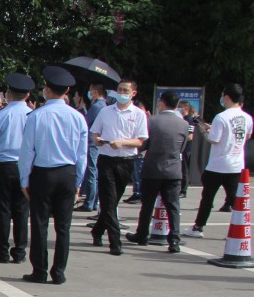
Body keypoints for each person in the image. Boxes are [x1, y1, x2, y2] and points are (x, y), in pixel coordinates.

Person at [19, 67, 89, 284]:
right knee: (63, 226)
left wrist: (24, 180)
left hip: (43, 173)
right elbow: (82, 154)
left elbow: (27, 152)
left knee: (39, 223)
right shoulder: (78, 118)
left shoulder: (36, 116)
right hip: (67, 173)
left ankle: (39, 270)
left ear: (46, 90)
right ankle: (59, 271)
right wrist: (78, 181)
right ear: (67, 90)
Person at [183, 84, 251, 238]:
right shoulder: (247, 117)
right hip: (237, 165)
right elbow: (246, 136)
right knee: (236, 200)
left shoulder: (221, 117)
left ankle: (198, 228)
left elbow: (214, 139)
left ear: (226, 97)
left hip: (217, 165)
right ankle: (242, 229)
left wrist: (205, 131)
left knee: (207, 198)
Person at [89, 79, 148, 255]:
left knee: (113, 200)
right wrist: (98, 140)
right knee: (108, 201)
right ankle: (115, 241)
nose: (122, 93)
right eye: (120, 90)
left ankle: (98, 230)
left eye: (125, 90)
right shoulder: (106, 111)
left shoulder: (138, 114)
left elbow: (140, 140)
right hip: (106, 159)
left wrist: (122, 143)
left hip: (126, 160)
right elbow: (94, 133)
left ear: (133, 93)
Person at [127, 90, 189, 252]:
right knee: (173, 206)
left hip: (153, 168)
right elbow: (182, 148)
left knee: (147, 205)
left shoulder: (152, 121)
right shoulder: (183, 124)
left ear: (161, 103)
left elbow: (143, 145)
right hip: (174, 170)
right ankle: (174, 239)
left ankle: (142, 235)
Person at [0, 73, 34, 264]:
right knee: (22, 210)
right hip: (25, 166)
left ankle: (2, 252)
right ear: (28, 95)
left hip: (3, 166)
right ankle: (20, 251)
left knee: (2, 210)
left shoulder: (1, 115)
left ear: (9, 93)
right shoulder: (33, 115)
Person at [78, 82, 109, 211]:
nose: (89, 93)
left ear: (96, 92)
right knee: (94, 173)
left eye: (91, 90)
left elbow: (85, 122)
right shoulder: (103, 105)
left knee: (91, 173)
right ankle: (93, 201)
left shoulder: (97, 106)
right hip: (96, 143)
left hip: (92, 143)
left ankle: (89, 202)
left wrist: (82, 109)